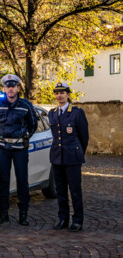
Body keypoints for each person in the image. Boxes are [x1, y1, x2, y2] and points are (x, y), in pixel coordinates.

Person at [0, 74, 37, 225]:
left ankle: (23, 214)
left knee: (22, 180)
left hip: (19, 148)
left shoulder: (25, 105)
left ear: (17, 88)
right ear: (4, 88)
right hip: (3, 148)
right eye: (7, 86)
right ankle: (3, 213)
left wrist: (25, 136)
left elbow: (33, 124)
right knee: (3, 180)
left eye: (13, 86)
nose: (10, 89)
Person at [49, 81, 89, 232]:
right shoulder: (52, 113)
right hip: (57, 157)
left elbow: (84, 137)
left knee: (75, 190)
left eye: (62, 93)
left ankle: (78, 220)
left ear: (68, 94)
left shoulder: (77, 113)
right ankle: (63, 219)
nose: (59, 96)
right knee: (60, 190)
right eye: (57, 93)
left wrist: (78, 152)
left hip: (72, 157)